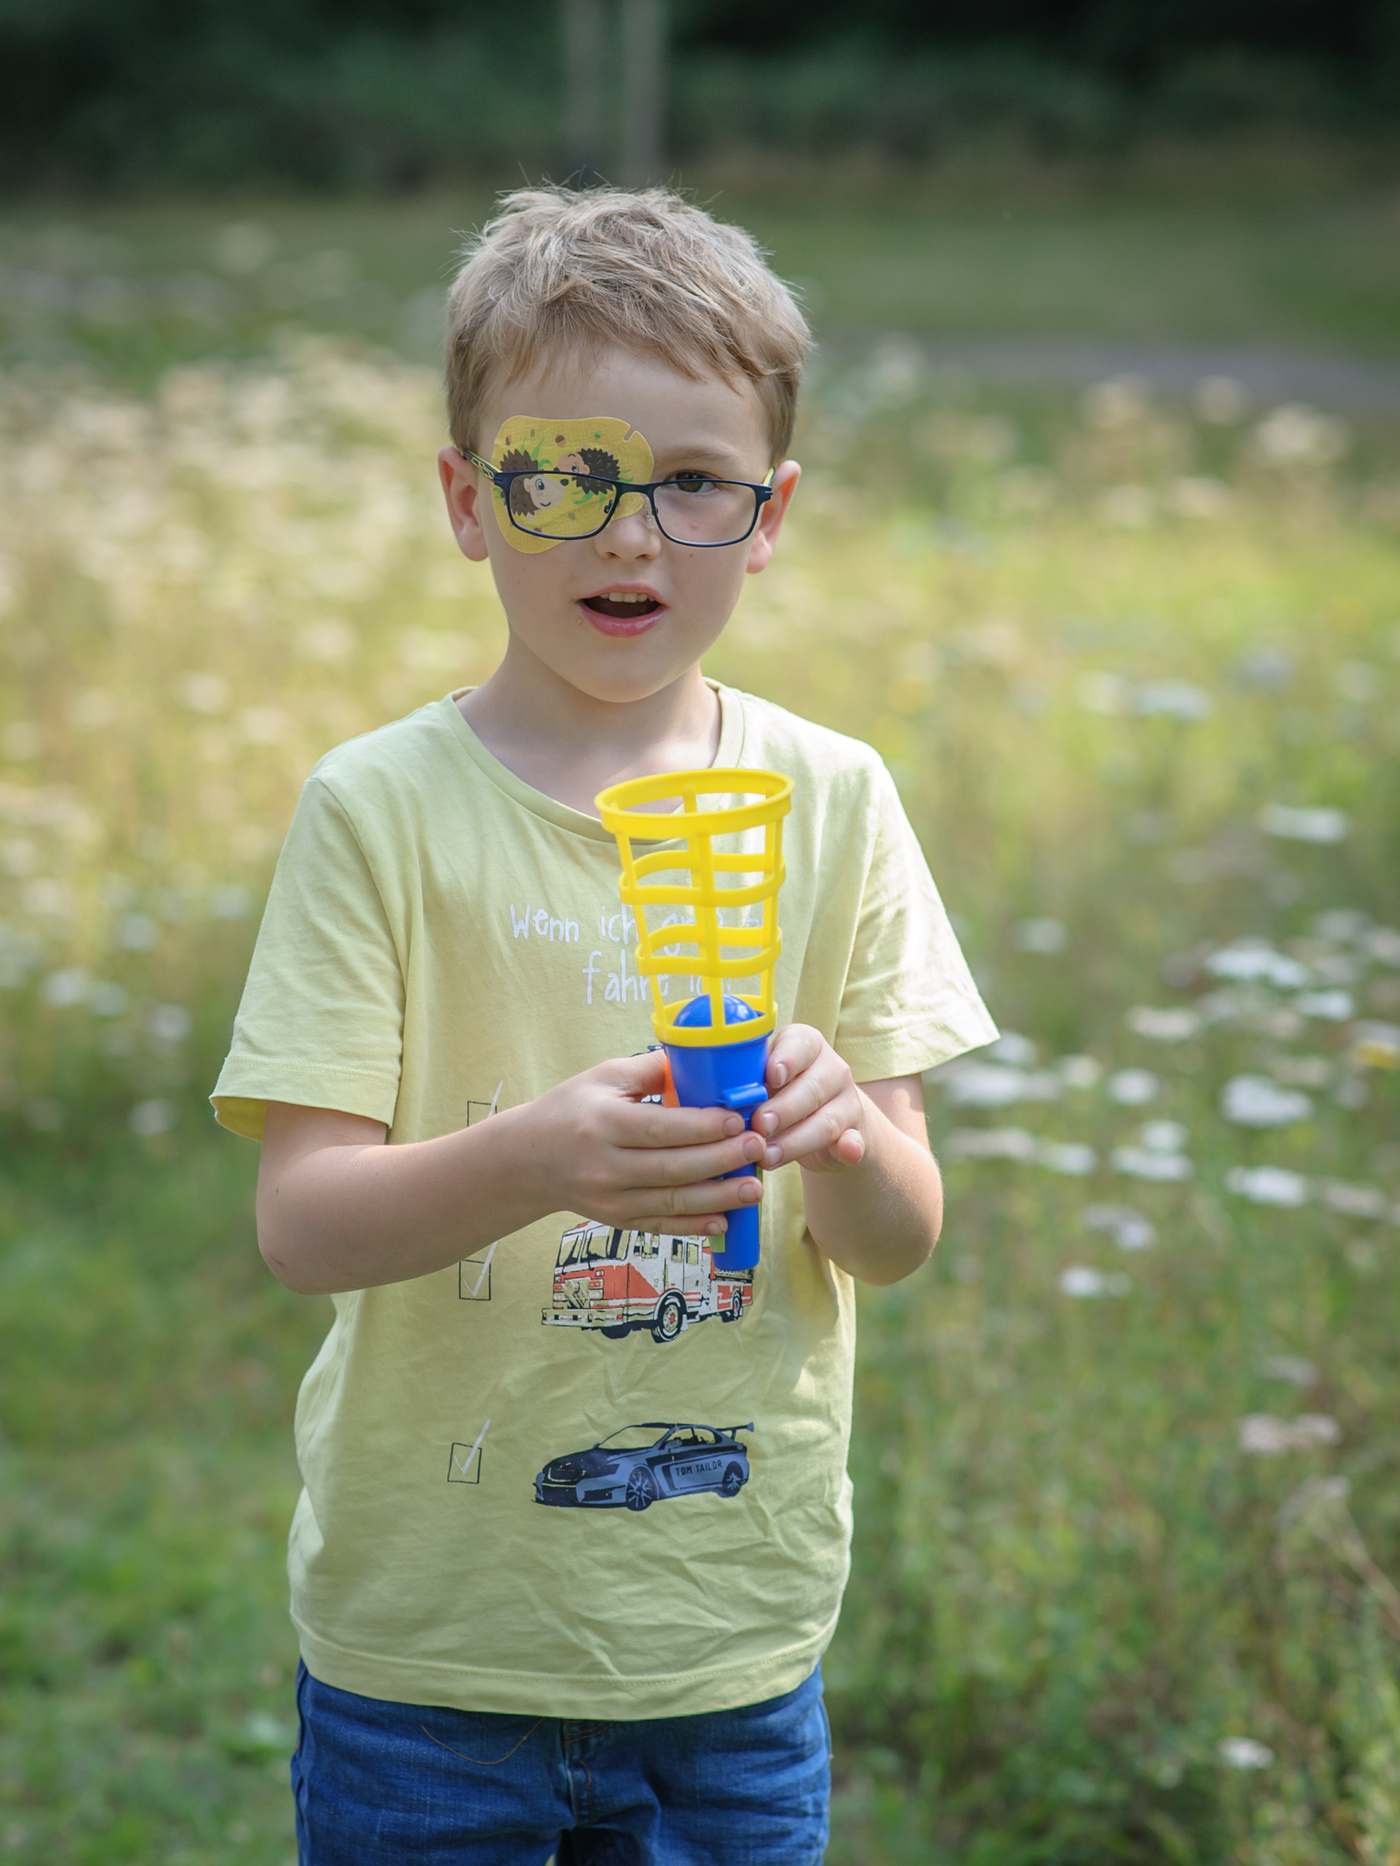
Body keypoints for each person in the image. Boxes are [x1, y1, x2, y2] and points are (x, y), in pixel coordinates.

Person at [212, 185, 995, 1865]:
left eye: (695, 483)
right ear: (468, 500)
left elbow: (902, 1231)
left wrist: (842, 1123)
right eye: (567, 473)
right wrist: (537, 1156)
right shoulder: (378, 812)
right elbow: (302, 1224)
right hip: (429, 1660)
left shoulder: (832, 800)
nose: (631, 535)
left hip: (729, 1644)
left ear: (771, 513)